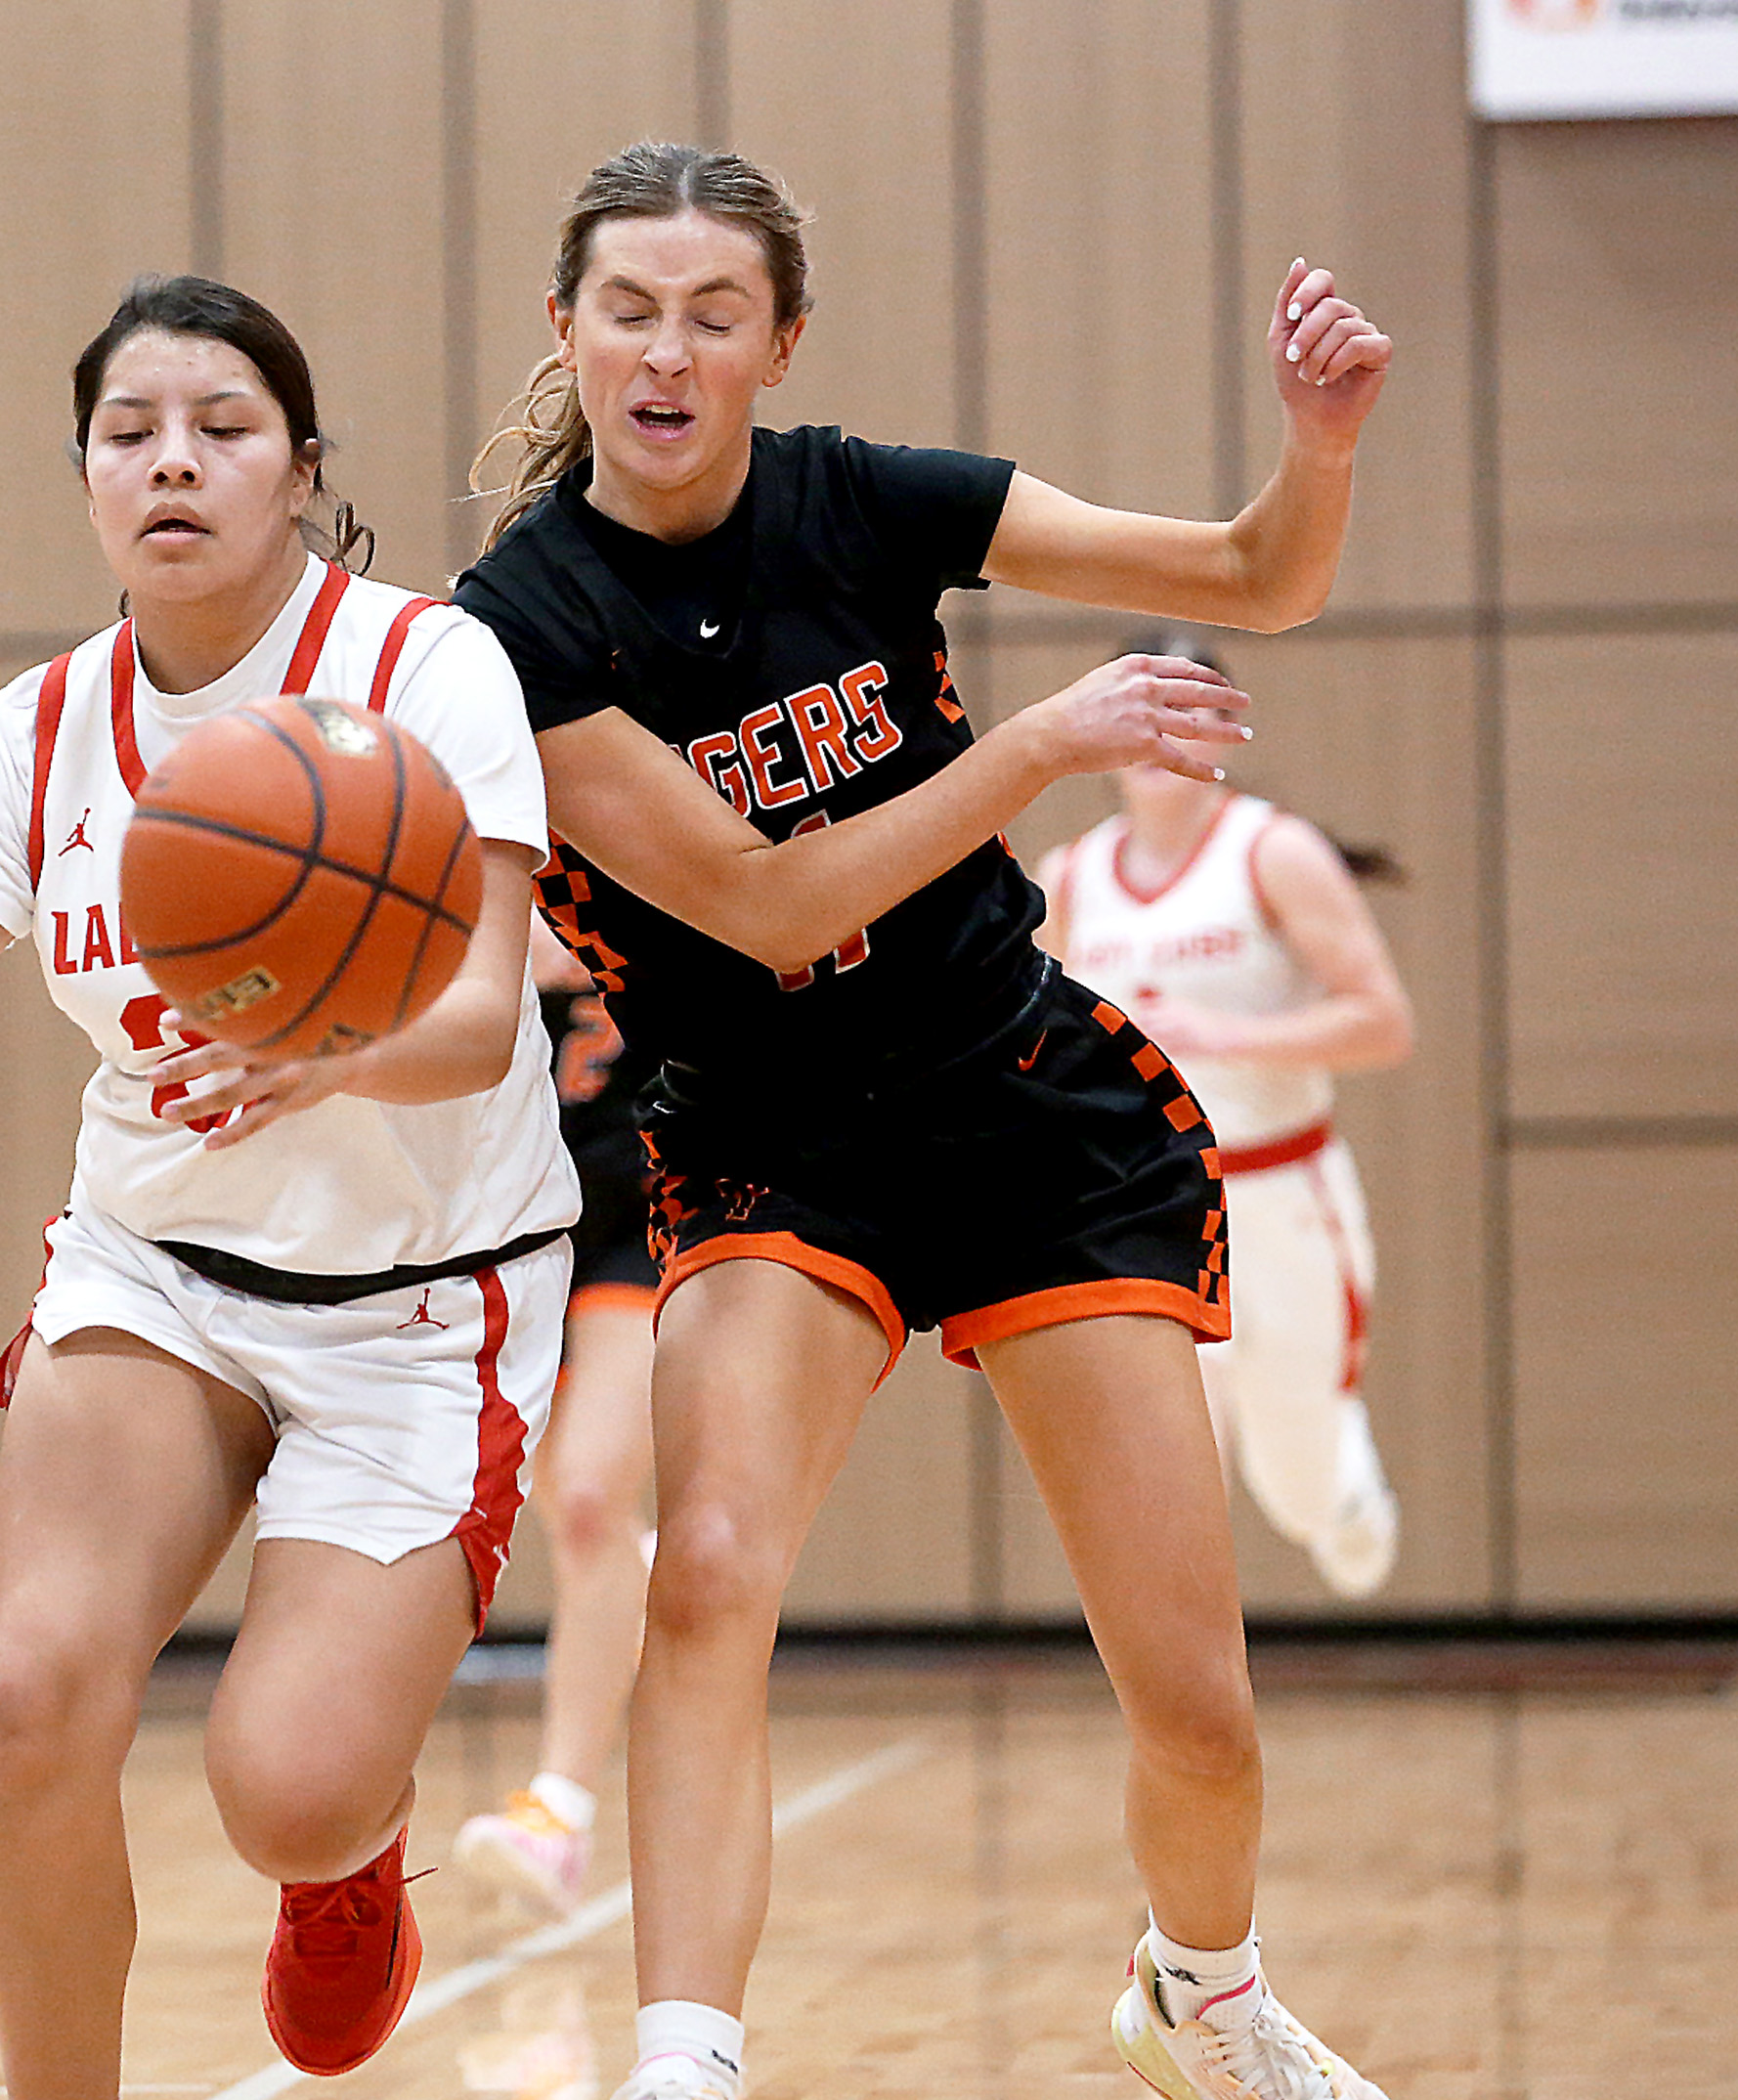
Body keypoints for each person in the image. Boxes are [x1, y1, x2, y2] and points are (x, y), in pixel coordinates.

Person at [454, 145, 1393, 2100]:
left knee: (1199, 1712)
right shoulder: (523, 621)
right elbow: (776, 901)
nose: (667, 348)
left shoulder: (865, 501)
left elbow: (1258, 577)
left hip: (1025, 1100)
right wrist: (1043, 743)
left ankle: (1199, 1990)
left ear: (777, 342)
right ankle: (686, 2060)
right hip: (773, 1131)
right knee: (705, 1568)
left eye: (716, 314)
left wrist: (1318, 447)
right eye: (628, 307)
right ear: (567, 329)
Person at [0, 274, 575, 2098]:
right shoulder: (44, 726)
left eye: (221, 427)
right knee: (40, 1694)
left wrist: (333, 1053)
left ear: (299, 467)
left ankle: (347, 1851)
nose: (174, 464)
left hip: (424, 1294)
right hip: (158, 1267)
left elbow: (481, 1004)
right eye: (130, 433)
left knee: (282, 1791)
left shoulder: (422, 667)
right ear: (83, 479)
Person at [1040, 636, 1415, 1599]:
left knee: (1292, 1478)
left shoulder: (1272, 851)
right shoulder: (1072, 876)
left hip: (1277, 1195)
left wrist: (1219, 1033)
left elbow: (1383, 1023)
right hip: (1145, 1206)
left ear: (1226, 732)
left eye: (1191, 713)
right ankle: (1183, 1688)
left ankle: (1341, 1493)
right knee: (1167, 1463)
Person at [451, 919, 656, 1914]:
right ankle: (632, 1575)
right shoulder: (484, 862)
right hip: (517, 1226)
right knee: (518, 1497)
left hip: (647, 1222)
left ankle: (560, 1811)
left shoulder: (647, 832)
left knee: (584, 1501)